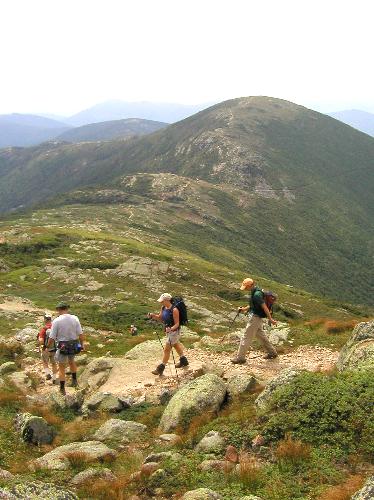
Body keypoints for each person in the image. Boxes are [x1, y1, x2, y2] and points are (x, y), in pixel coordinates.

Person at [231, 277, 278, 364]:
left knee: (246, 337)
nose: (245, 289)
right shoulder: (256, 291)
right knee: (261, 336)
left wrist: (270, 319)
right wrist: (244, 309)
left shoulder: (256, 295)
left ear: (250, 285)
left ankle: (240, 358)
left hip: (255, 318)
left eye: (246, 287)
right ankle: (272, 353)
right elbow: (253, 305)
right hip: (257, 318)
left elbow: (264, 307)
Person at [48, 302, 84, 395]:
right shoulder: (75, 318)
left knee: (62, 367)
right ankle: (74, 381)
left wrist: (47, 347)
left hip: (63, 345)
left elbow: (52, 337)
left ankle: (62, 389)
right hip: (74, 344)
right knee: (72, 362)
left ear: (59, 309)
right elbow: (80, 334)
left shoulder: (56, 321)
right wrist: (82, 345)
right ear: (67, 308)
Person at [149, 293, 189, 375]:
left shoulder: (174, 310)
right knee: (175, 345)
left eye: (162, 301)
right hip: (168, 331)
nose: (161, 302)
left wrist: (171, 329)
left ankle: (161, 368)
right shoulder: (163, 307)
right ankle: (183, 361)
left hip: (174, 332)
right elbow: (160, 318)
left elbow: (177, 324)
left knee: (167, 349)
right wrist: (153, 316)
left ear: (167, 300)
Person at [38, 312, 58, 383]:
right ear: (50, 319)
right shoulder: (55, 328)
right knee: (54, 363)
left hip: (46, 349)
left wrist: (42, 345)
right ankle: (54, 378)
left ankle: (48, 374)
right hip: (55, 349)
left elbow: (41, 340)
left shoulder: (44, 329)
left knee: (45, 361)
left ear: (45, 320)